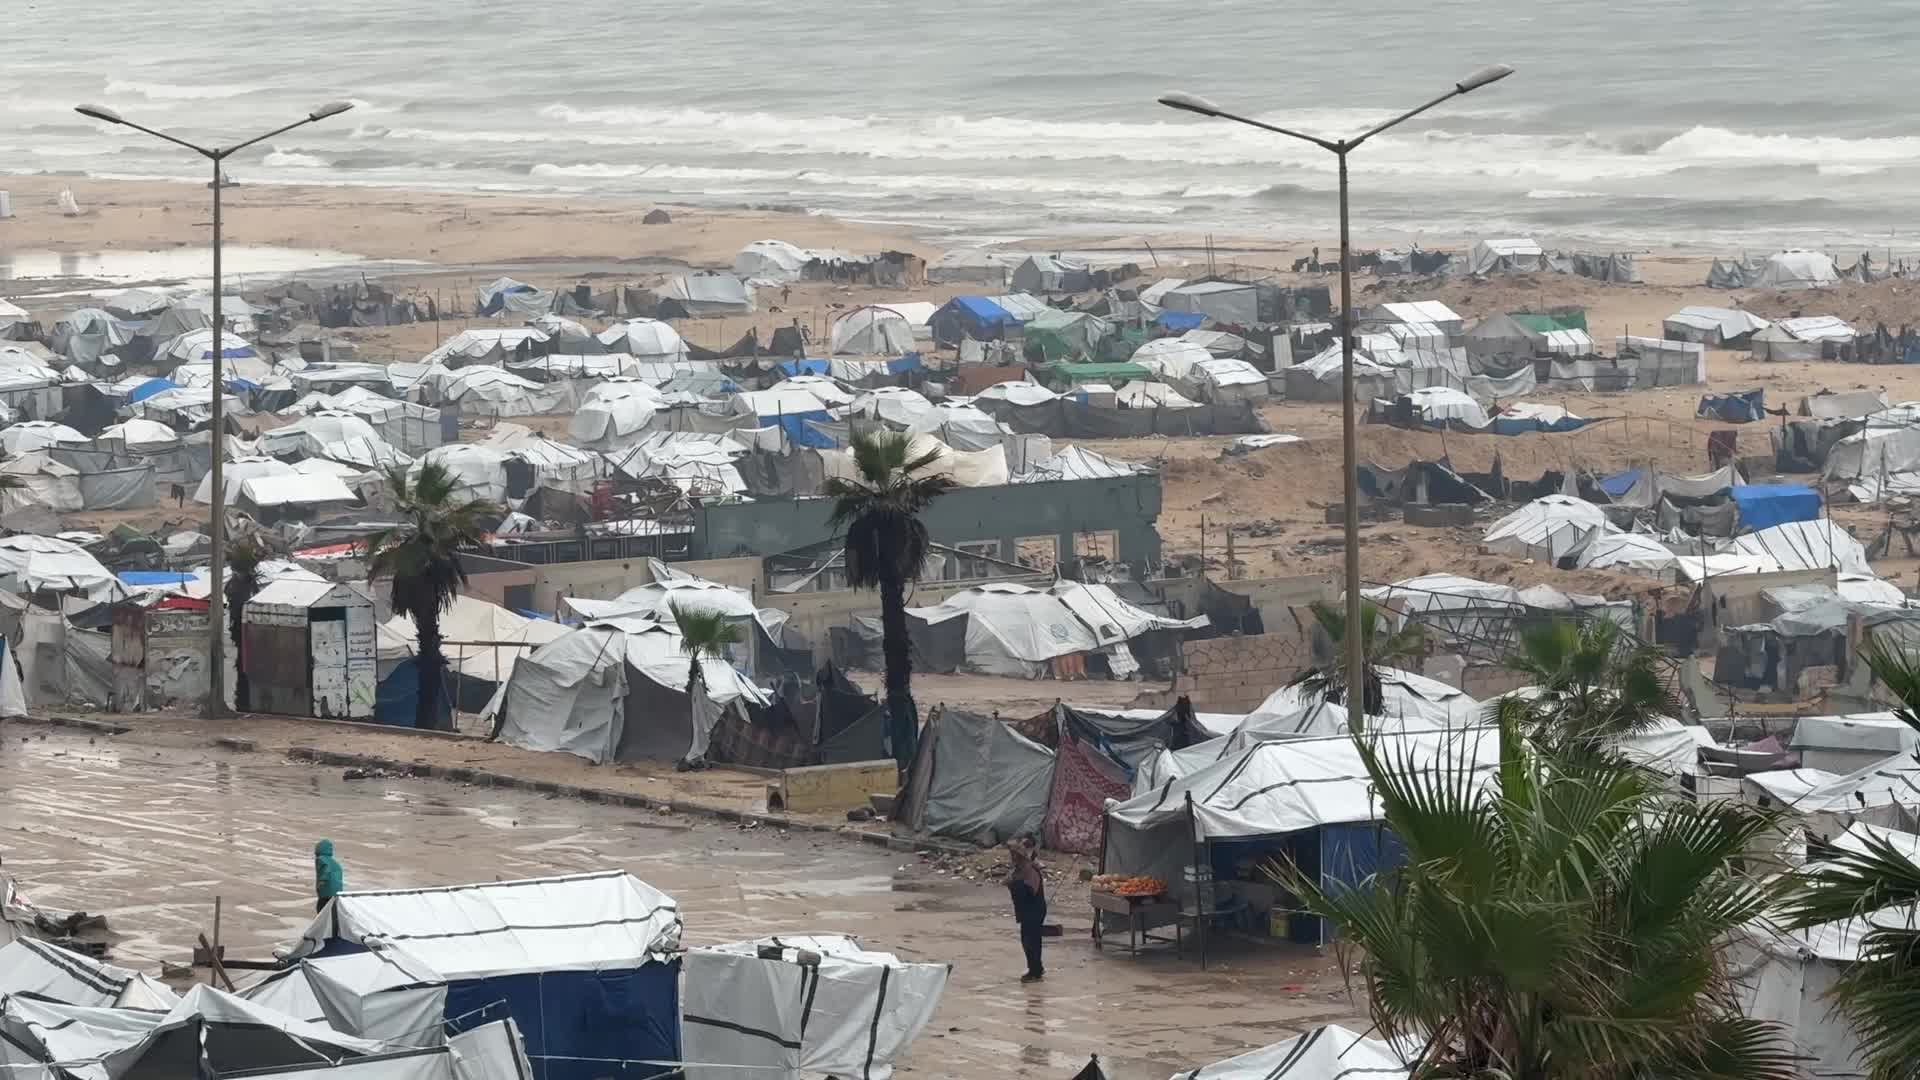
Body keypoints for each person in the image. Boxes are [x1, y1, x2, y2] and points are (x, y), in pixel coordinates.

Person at [1005, 837, 1046, 982]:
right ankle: (1035, 968)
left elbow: (1029, 892)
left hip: (1034, 909)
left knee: (1031, 940)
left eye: (1015, 855)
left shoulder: (1030, 870)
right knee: (1026, 939)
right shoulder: (1018, 870)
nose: (1013, 858)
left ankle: (1035, 971)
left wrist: (1013, 884)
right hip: (1026, 910)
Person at [313, 839, 344, 913]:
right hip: (337, 892)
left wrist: (321, 882)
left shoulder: (320, 859)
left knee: (321, 910)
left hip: (326, 892)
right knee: (333, 911)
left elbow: (326, 870)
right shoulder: (334, 862)